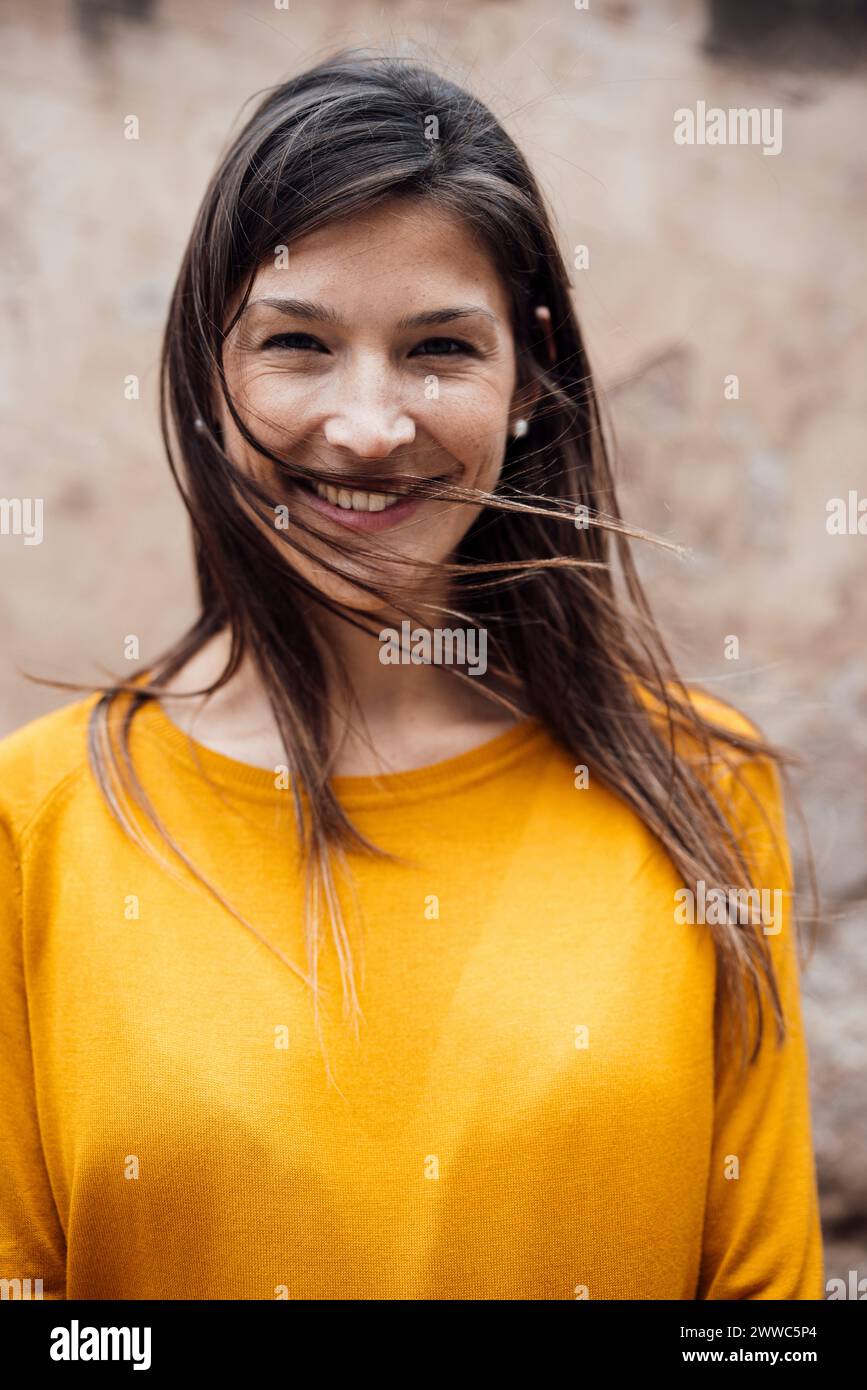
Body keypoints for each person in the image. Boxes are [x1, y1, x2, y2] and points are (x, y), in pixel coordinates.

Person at [0, 48, 823, 1301]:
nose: (371, 425)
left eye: (439, 346)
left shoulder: (704, 793)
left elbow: (764, 1318)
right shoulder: (37, 821)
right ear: (207, 376)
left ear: (528, 377)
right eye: (297, 343)